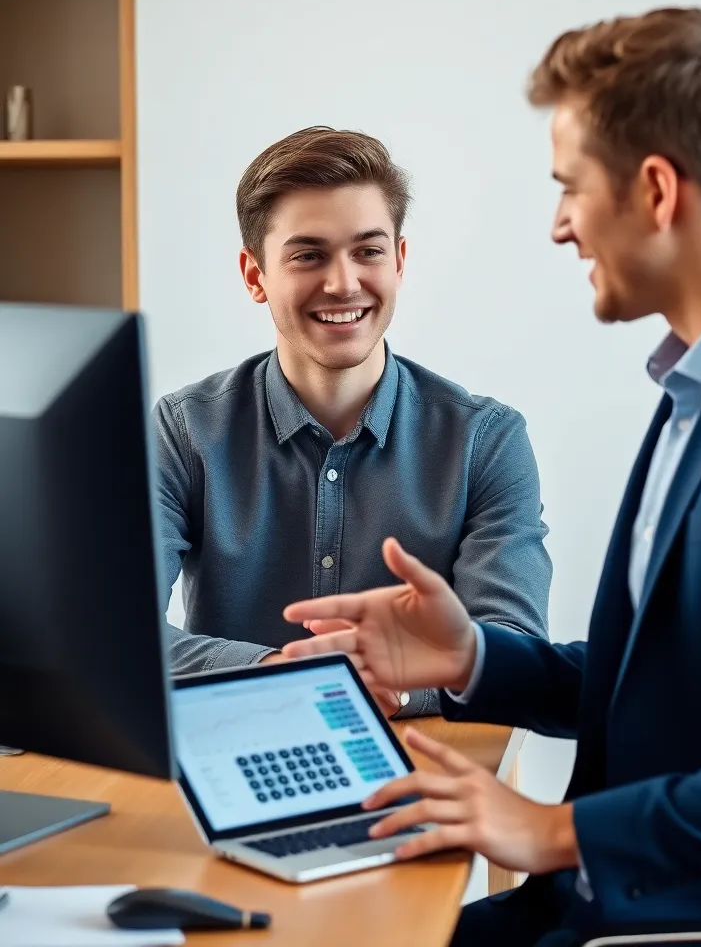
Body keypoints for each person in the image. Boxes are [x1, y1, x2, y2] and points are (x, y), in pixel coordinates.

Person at [280, 9, 701, 944]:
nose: (561, 226)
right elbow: (682, 686)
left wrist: (550, 830)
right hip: (623, 901)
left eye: (570, 187)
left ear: (655, 190)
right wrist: (472, 659)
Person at [154, 126, 551, 719]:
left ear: (399, 260)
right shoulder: (185, 431)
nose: (343, 282)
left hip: (430, 765)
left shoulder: (486, 441)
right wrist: (275, 673)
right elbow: (113, 627)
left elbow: (512, 644)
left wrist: (403, 688)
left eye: (367, 250)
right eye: (308, 255)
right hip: (240, 753)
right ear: (255, 275)